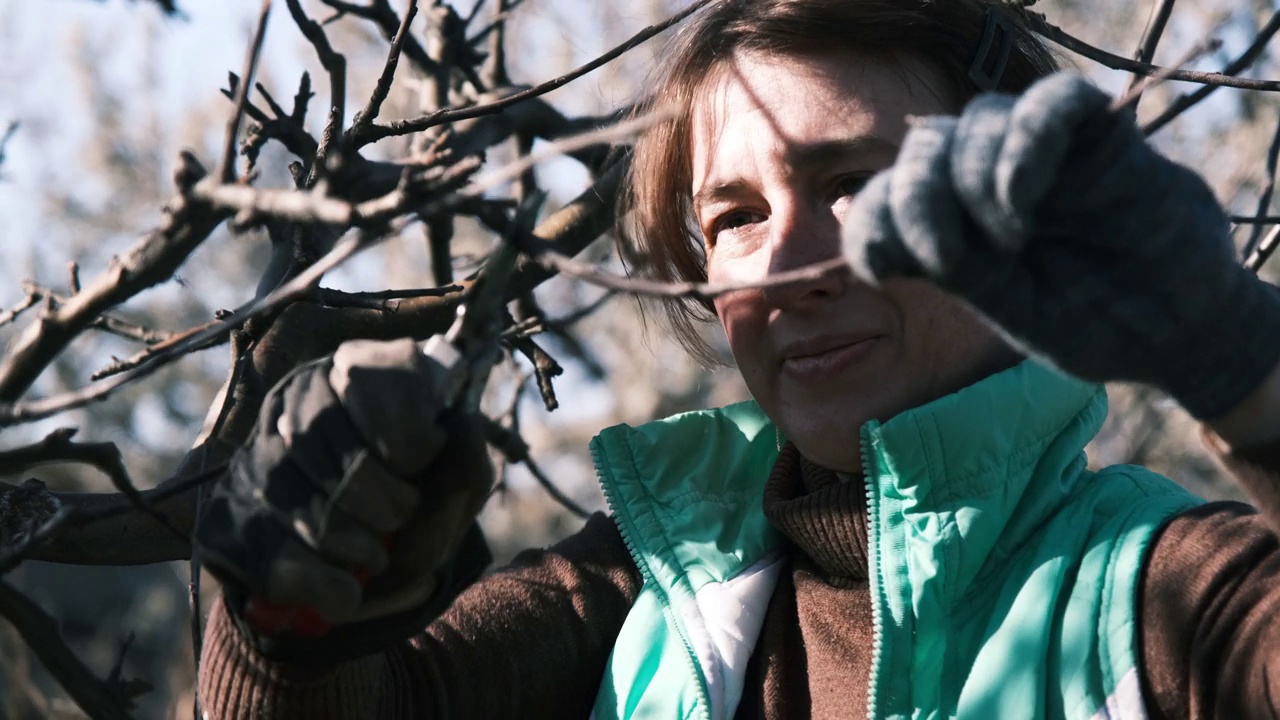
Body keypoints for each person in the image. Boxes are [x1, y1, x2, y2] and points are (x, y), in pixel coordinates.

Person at [194, 0, 1280, 717]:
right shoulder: (641, 585)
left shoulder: (1162, 595)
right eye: (735, 216)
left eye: (850, 182)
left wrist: (1246, 369)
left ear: (1022, 195)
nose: (785, 267)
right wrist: (285, 625)